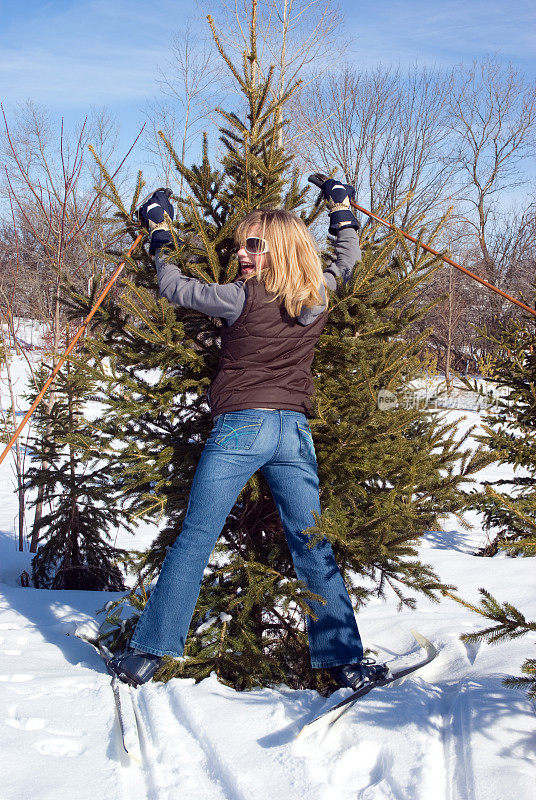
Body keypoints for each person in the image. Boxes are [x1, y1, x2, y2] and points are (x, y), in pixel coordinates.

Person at [109, 179, 388, 692]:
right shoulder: (317, 294)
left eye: (252, 245)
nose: (241, 253)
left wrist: (160, 234)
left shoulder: (238, 298)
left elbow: (174, 288)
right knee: (312, 545)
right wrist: (343, 210)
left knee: (195, 538)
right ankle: (343, 661)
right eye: (241, 244)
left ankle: (147, 653)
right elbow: (346, 258)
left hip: (242, 428)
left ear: (277, 249)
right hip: (292, 432)